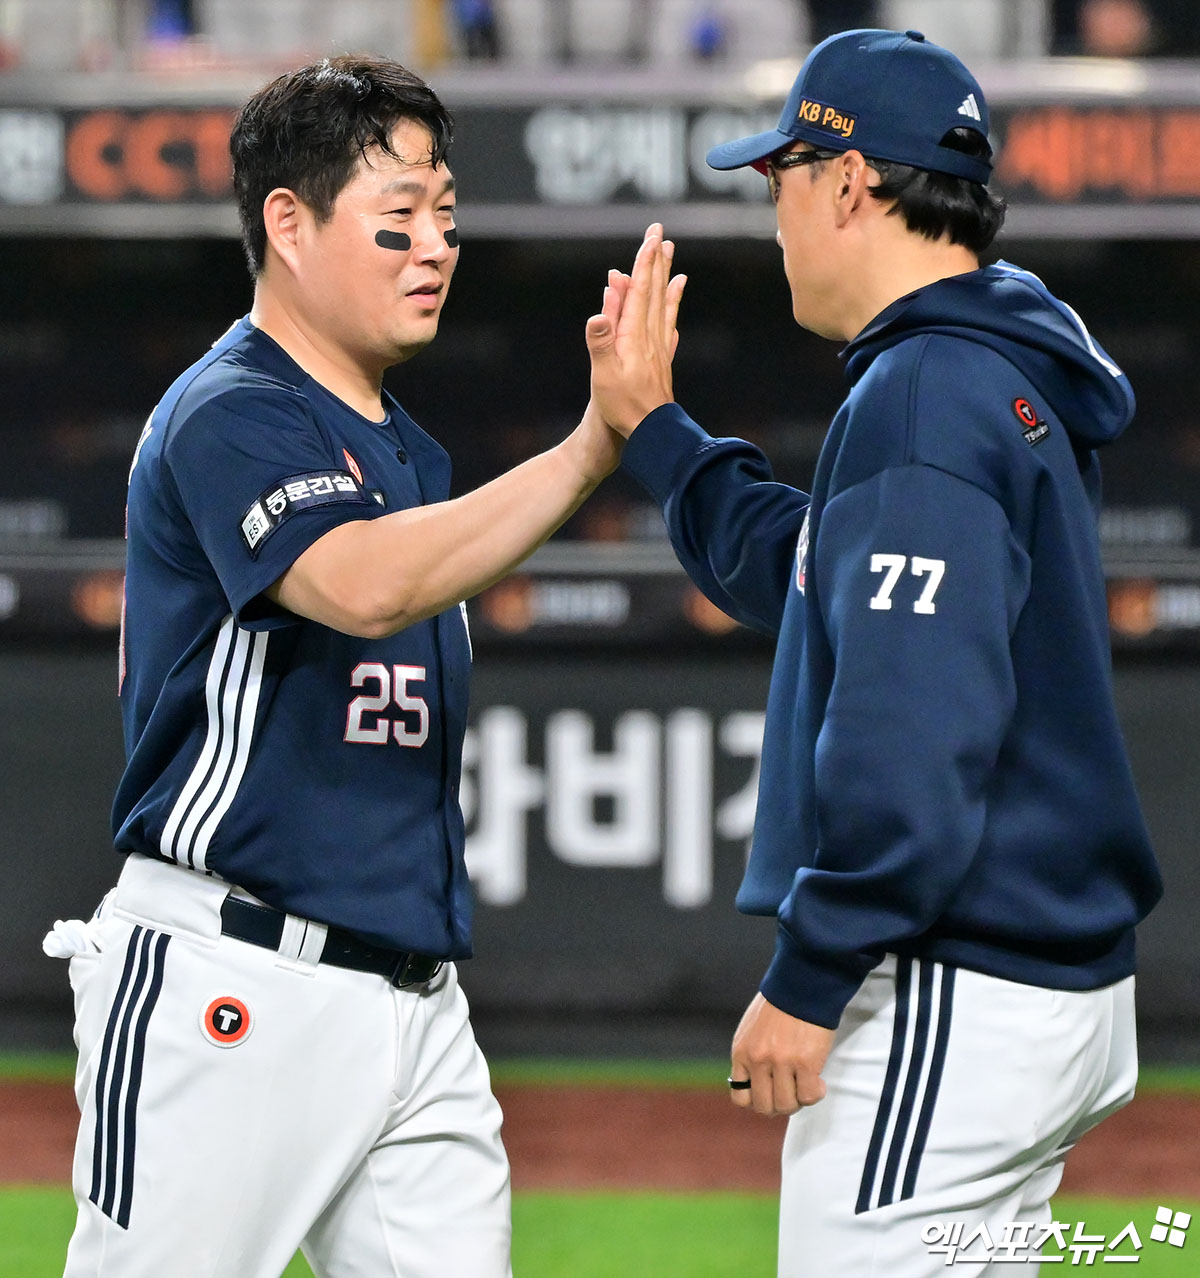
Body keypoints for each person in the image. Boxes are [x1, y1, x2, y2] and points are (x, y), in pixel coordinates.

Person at [44, 54, 669, 1278]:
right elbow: (360, 585)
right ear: (288, 224)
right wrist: (592, 447)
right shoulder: (231, 409)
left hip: (415, 1005)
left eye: (447, 213)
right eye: (401, 215)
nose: (436, 246)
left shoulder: (404, 452)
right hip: (235, 982)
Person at [586, 28, 1162, 1276]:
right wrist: (661, 436)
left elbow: (911, 728)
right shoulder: (993, 364)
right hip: (1036, 984)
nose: (774, 216)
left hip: (954, 982)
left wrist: (811, 972)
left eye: (782, 176)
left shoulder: (926, 393)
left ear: (850, 181)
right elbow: (812, 573)